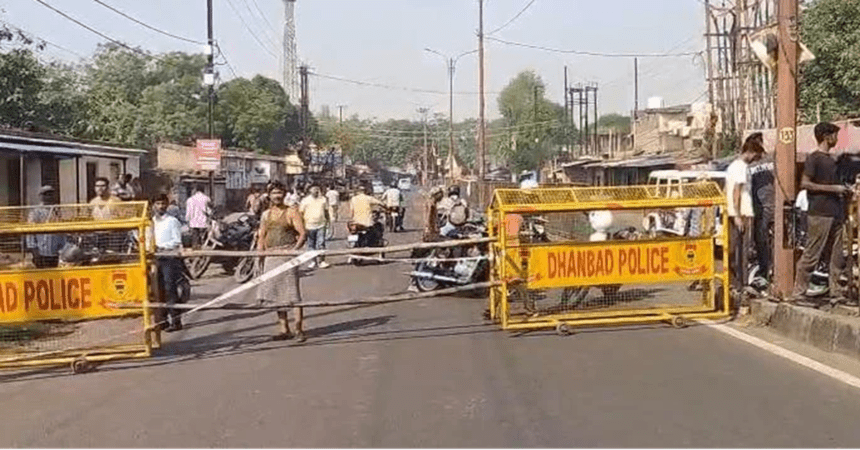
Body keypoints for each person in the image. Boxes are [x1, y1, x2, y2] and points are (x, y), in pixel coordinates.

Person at [791, 122, 850, 306]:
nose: (836, 139)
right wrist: (833, 189)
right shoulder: (814, 158)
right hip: (819, 213)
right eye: (834, 135)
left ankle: (836, 293)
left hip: (836, 213)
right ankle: (798, 294)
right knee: (812, 254)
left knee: (837, 255)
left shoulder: (833, 160)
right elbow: (806, 184)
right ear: (826, 136)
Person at [257, 181, 308, 342]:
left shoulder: (292, 212)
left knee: (292, 294)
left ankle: (298, 329)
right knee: (276, 295)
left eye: (279, 193)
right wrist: (260, 256)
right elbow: (262, 235)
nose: (277, 196)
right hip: (271, 257)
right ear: (269, 195)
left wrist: (294, 250)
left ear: (284, 194)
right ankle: (284, 328)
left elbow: (302, 234)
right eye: (274, 193)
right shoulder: (266, 214)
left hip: (287, 257)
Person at [725, 139, 764, 295]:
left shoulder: (732, 167)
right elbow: (736, 192)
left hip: (735, 213)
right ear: (751, 152)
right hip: (743, 213)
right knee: (741, 251)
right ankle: (740, 284)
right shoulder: (741, 168)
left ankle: (735, 283)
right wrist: (738, 216)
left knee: (735, 250)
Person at [151, 193, 185, 332]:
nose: (161, 206)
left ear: (167, 205)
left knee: (170, 289)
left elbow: (177, 241)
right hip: (155, 258)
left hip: (169, 258)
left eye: (163, 203)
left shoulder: (172, 221)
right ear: (153, 205)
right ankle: (162, 321)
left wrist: (163, 247)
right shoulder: (151, 222)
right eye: (158, 204)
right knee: (158, 290)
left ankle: (176, 321)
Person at [26, 185, 65, 269]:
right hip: (41, 251)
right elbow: (30, 232)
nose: (48, 197)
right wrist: (34, 250)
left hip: (55, 251)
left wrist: (62, 249)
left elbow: (62, 232)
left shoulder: (57, 211)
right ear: (41, 196)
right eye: (46, 194)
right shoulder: (35, 212)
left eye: (51, 194)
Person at [299, 184, 330, 269]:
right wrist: (301, 226)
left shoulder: (323, 200)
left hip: (321, 225)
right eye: (314, 189)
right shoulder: (305, 200)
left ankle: (322, 261)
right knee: (310, 245)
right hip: (309, 225)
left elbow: (326, 211)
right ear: (310, 190)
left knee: (321, 243)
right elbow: (301, 213)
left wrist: (329, 222)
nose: (315, 191)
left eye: (317, 189)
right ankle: (313, 261)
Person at [185, 184, 211, 249]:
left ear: (195, 190)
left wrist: (187, 220)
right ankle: (203, 249)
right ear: (203, 190)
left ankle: (195, 248)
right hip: (203, 221)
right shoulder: (206, 198)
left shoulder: (190, 199)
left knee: (195, 237)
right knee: (203, 238)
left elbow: (188, 212)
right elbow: (209, 210)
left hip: (193, 221)